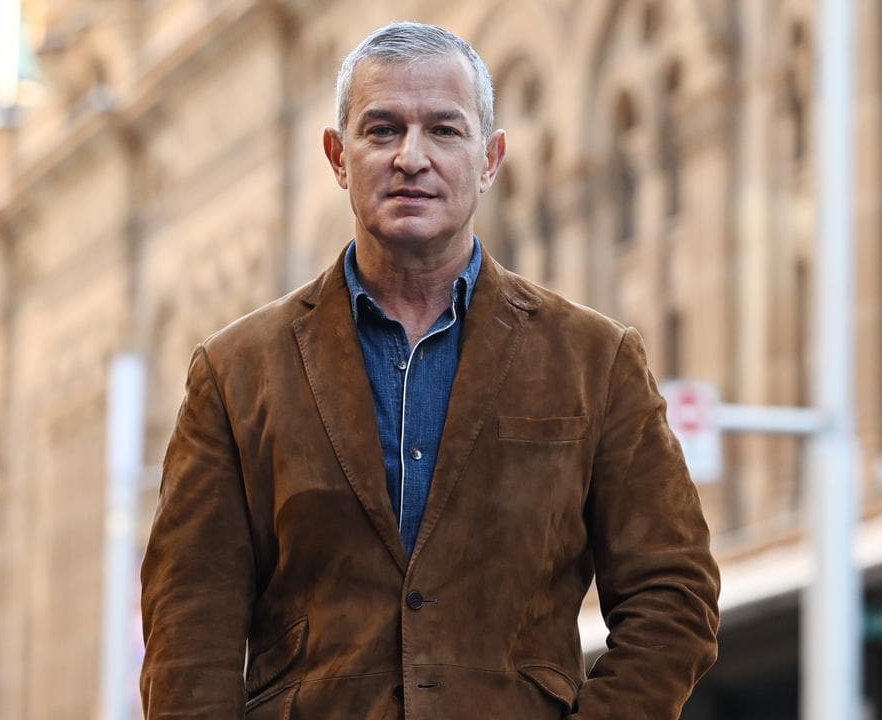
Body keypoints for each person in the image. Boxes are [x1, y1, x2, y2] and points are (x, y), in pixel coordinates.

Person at [139, 21, 719, 719]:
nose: (411, 158)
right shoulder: (236, 374)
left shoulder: (595, 360)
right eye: (382, 130)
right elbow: (187, 634)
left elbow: (673, 597)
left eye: (444, 130)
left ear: (489, 158)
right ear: (337, 156)